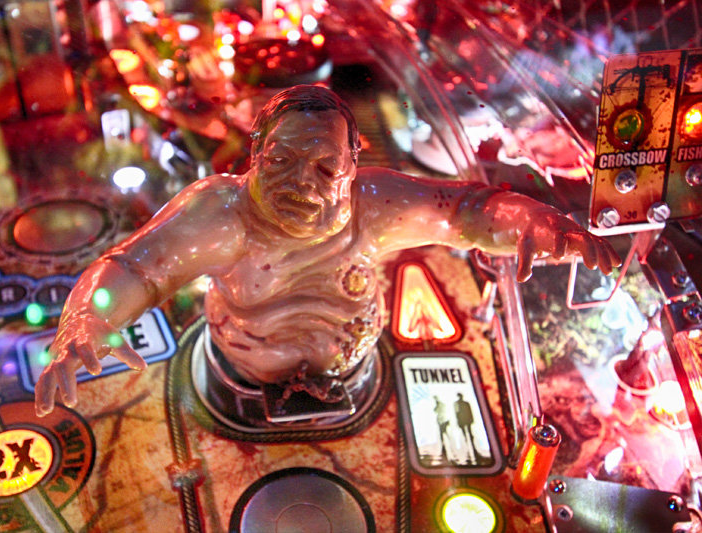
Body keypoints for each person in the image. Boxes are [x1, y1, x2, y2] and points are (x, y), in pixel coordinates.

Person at [34, 85, 619, 417]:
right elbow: (134, 267)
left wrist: (532, 221)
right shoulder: (221, 215)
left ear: (353, 167)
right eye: (281, 161)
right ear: (255, 154)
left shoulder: (376, 205)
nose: (300, 183)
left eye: (324, 168)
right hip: (238, 381)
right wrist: (88, 317)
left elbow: (467, 212)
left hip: (359, 378)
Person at [454, 392, 476, 459]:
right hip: (463, 421)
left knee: (469, 434)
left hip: (466, 420)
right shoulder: (458, 404)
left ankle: (472, 447)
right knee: (466, 435)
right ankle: (469, 447)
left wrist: (471, 419)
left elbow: (469, 411)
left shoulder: (465, 403)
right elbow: (457, 413)